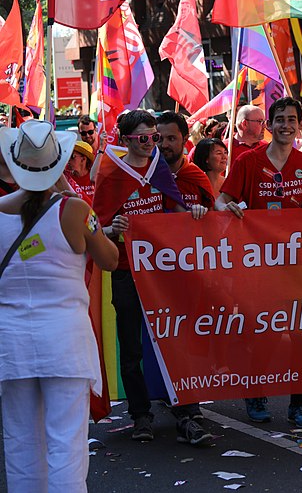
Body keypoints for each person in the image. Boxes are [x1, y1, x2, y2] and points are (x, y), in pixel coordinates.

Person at [0, 119, 119, 492]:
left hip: (11, 341)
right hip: (66, 341)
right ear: (59, 163)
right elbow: (110, 258)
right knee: (67, 441)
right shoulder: (75, 210)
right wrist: (66, 188)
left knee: (20, 441)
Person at [93, 110, 210, 445]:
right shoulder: (111, 172)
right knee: (131, 348)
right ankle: (140, 414)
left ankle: (187, 410)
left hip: (159, 269)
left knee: (173, 340)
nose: (150, 144)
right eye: (143, 138)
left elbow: (174, 211)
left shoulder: (158, 165)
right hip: (126, 270)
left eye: (154, 137)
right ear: (127, 140)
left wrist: (194, 213)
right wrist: (110, 229)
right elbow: (95, 226)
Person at [216, 97, 302, 428]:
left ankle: (298, 405)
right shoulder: (248, 161)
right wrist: (226, 208)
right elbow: (221, 199)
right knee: (264, 336)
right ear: (268, 125)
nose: (285, 124)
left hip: (296, 265)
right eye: (279, 118)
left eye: (291, 119)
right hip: (257, 265)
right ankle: (255, 395)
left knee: (301, 336)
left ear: (299, 124)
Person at [157, 111, 215, 209]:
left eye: (171, 139)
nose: (164, 145)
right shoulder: (148, 176)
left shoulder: (197, 178)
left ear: (185, 139)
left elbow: (211, 217)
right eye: (159, 139)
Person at [65, 140, 96, 206]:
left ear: (83, 159)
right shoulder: (65, 178)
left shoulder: (95, 177)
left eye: (72, 156)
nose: (68, 160)